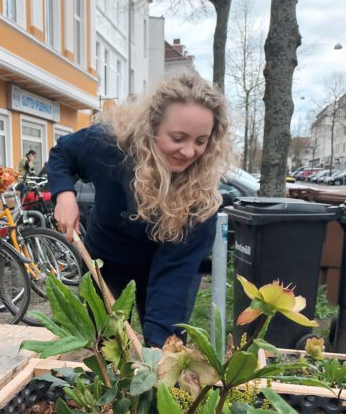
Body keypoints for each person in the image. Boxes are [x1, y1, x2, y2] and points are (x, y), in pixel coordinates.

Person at [47, 72, 233, 348]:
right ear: (151, 126)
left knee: (164, 344)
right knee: (105, 342)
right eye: (178, 137)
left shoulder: (200, 197)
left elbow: (174, 278)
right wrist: (64, 194)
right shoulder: (109, 145)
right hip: (105, 260)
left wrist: (159, 353)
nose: (188, 152)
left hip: (163, 264)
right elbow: (63, 153)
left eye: (200, 141)